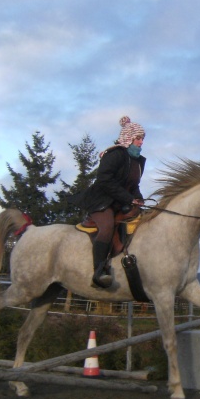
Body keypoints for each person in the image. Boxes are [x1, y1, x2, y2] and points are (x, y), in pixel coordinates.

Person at [73, 116, 147, 288]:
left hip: (121, 202)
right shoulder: (114, 155)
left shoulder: (138, 161)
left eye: (143, 138)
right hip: (101, 200)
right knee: (106, 226)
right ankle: (98, 272)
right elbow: (104, 181)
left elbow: (134, 185)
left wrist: (139, 198)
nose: (141, 142)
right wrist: (129, 198)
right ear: (129, 137)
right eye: (138, 138)